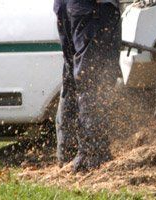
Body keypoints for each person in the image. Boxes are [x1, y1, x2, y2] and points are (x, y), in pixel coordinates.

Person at [53, 0, 121, 172]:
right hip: (93, 9)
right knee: (93, 78)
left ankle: (67, 151)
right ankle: (92, 156)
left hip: (67, 7)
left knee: (72, 76)